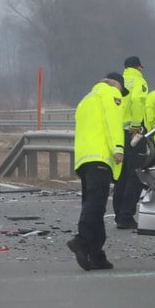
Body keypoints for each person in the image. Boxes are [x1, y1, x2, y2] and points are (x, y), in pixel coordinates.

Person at [67, 72, 127, 271]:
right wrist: (118, 147)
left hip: (85, 159)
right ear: (115, 84)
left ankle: (96, 254)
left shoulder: (86, 100)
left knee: (93, 203)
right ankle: (82, 241)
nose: (122, 95)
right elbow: (113, 123)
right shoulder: (110, 94)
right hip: (101, 157)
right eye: (122, 90)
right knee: (96, 203)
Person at [113, 55, 148, 229]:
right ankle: (126, 216)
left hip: (118, 133)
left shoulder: (118, 82)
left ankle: (119, 213)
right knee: (135, 175)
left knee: (121, 175)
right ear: (138, 67)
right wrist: (136, 125)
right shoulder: (139, 82)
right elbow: (137, 101)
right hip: (133, 132)